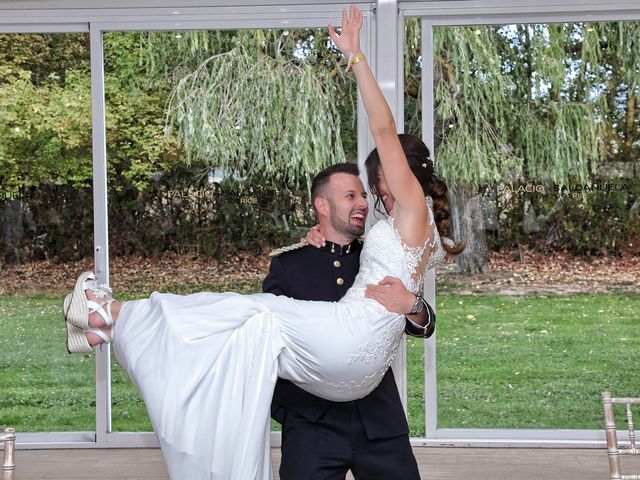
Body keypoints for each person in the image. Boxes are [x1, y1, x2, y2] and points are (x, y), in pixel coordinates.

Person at [62, 6, 462, 479]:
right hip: (353, 367)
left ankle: (110, 314)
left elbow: (381, 127)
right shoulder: (423, 233)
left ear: (401, 176)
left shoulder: (410, 207)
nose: (375, 194)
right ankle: (106, 326)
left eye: (375, 183)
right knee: (242, 323)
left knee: (243, 311)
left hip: (351, 348)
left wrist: (356, 57)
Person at [264, 162, 435, 480]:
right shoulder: (289, 265)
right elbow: (271, 340)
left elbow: (424, 324)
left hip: (379, 421)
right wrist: (289, 413)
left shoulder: (377, 252)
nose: (362, 203)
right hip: (313, 427)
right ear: (322, 205)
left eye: (362, 195)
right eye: (350, 195)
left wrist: (413, 305)